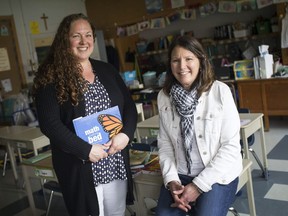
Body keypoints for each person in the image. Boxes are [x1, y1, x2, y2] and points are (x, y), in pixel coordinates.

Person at [32, 13, 137, 216]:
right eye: (76, 36)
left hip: (114, 161)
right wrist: (85, 149)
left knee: (116, 213)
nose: (83, 41)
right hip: (80, 166)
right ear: (65, 40)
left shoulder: (107, 70)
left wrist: (126, 134)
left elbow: (129, 107)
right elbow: (49, 124)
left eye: (88, 35)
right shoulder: (51, 77)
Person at [156, 35, 243, 216]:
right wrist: (171, 180)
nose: (182, 66)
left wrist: (197, 186)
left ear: (201, 62)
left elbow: (231, 147)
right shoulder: (164, 96)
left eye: (189, 59)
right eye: (175, 60)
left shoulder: (220, 91)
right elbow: (165, 145)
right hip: (180, 174)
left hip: (218, 175)